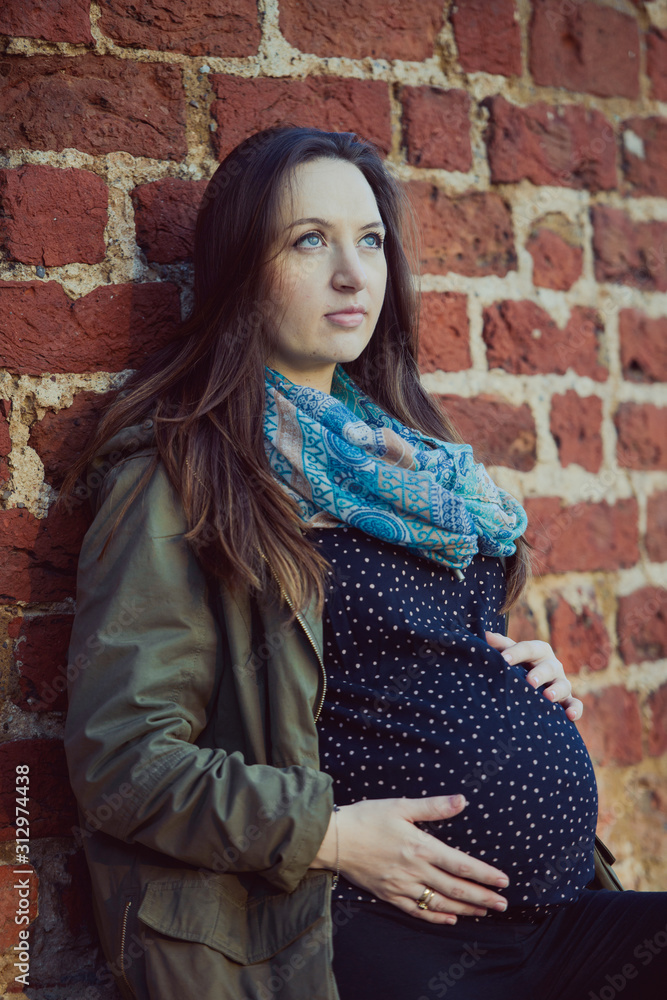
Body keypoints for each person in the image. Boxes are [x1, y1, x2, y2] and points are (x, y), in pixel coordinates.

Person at [61, 124, 666, 1000]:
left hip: (557, 915)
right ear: (241, 269)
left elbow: (404, 657)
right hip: (360, 938)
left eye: (370, 240)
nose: (354, 273)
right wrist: (331, 835)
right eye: (310, 241)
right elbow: (123, 761)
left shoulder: (405, 460)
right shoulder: (184, 478)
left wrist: (510, 670)